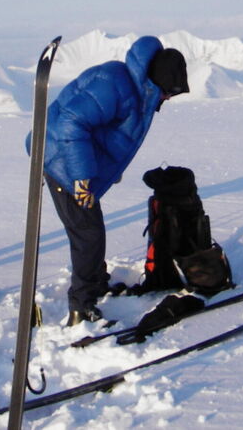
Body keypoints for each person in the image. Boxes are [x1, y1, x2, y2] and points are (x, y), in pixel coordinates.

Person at [29, 35, 190, 326]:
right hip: (60, 160)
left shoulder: (138, 89)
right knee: (87, 236)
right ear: (160, 81)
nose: (167, 99)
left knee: (91, 231)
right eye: (169, 92)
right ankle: (81, 307)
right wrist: (82, 178)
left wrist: (107, 171)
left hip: (74, 162)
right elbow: (71, 124)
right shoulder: (116, 84)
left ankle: (96, 283)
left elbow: (112, 135)